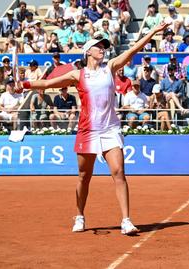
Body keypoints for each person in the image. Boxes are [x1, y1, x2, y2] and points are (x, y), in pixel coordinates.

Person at [17, 22, 171, 235]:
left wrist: (153, 32)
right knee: (84, 176)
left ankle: (126, 220)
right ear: (88, 51)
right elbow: (47, 84)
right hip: (88, 130)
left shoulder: (110, 67)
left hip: (110, 129)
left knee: (119, 172)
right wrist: (24, 85)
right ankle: (79, 215)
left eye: (104, 46)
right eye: (99, 46)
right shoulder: (77, 75)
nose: (103, 49)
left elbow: (132, 50)